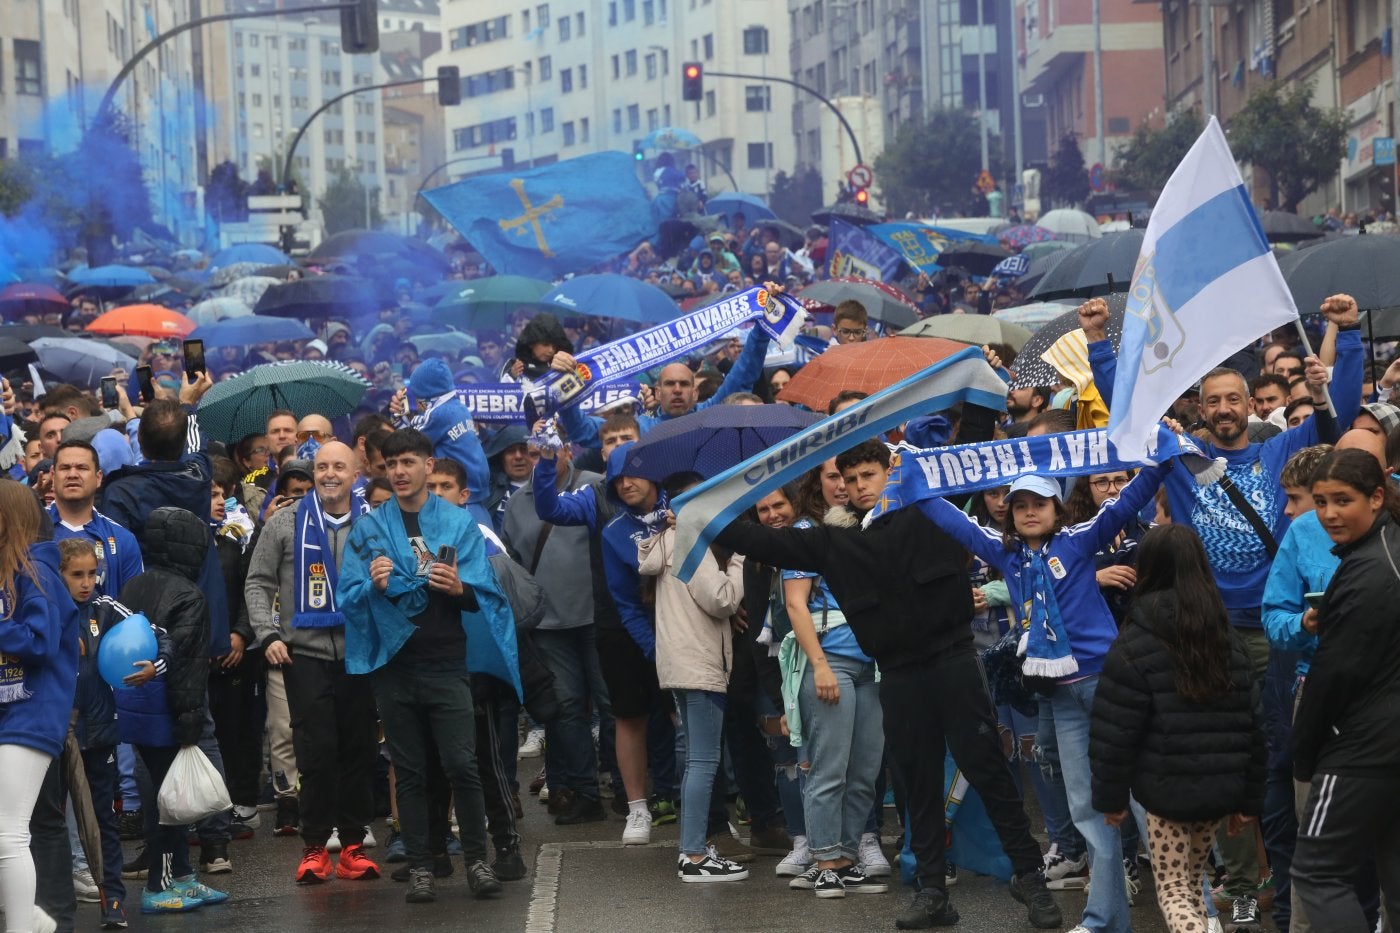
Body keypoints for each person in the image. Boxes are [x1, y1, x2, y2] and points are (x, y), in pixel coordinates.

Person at [1087, 295, 1362, 928]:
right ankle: (1243, 880)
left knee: (1285, 755)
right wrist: (1102, 343)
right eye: (1211, 401)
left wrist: (1342, 337)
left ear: (1247, 404)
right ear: (1201, 409)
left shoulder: (1277, 452)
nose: (1223, 409)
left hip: (1278, 631)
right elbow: (1129, 412)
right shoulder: (1184, 460)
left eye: (1232, 398)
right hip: (1202, 634)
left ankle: (1303, 881)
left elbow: (1336, 413)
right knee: (1223, 762)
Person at [715, 438, 1062, 931]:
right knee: (914, 781)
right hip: (898, 673)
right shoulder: (833, 540)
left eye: (868, 476)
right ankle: (932, 892)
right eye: (848, 479)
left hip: (953, 661)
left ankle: (1030, 875)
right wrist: (704, 512)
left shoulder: (929, 512)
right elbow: (764, 542)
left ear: (889, 473)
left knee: (985, 766)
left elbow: (970, 462)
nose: (857, 487)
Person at [918, 465, 1166, 933]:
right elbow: (951, 520)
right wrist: (911, 481)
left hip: (1107, 685)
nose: (1030, 512)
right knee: (1087, 811)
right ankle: (1104, 919)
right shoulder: (1004, 554)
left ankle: (1199, 911)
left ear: (1057, 509)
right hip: (1057, 696)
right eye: (1020, 505)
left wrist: (1161, 461)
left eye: (1039, 504)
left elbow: (1129, 499)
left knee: (1143, 799)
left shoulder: (1078, 541)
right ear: (1009, 514)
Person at [339, 429, 519, 906]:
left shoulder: (458, 524)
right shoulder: (370, 528)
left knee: (463, 765)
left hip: (446, 663)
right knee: (412, 772)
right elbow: (347, 597)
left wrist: (459, 587)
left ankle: (477, 861)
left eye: (408, 462)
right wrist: (373, 586)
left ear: (427, 465)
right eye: (391, 463)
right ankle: (421, 867)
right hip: (395, 667)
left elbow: (485, 597)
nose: (398, 471)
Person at [1089, 525, 1265, 933]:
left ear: (1147, 569)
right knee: (1192, 877)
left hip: (1165, 793)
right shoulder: (1228, 639)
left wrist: (1111, 798)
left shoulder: (1134, 641)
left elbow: (1115, 731)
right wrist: (1249, 801)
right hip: (1219, 792)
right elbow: (1256, 728)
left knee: (1173, 888)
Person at [244, 441, 380, 885]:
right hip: (304, 655)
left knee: (359, 750)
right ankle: (316, 847)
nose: (329, 474)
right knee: (316, 754)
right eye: (322, 467)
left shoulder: (376, 523)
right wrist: (267, 635)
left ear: (356, 473)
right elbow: (257, 583)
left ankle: (355, 845)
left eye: (339, 466)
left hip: (363, 655)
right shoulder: (285, 522)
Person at [1290, 448, 1400, 931]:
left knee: (1316, 872)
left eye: (1343, 500)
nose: (1330, 514)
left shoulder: (1371, 571)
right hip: (1384, 741)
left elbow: (1333, 676)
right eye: (1320, 501)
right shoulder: (1384, 549)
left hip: (1362, 748)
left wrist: (1305, 755)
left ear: (1376, 498)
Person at [778, 462, 889, 899]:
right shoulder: (806, 529)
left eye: (853, 476)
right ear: (817, 482)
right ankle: (825, 860)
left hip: (873, 665)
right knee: (829, 767)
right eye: (834, 477)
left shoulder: (871, 525)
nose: (845, 485)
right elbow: (795, 604)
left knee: (864, 769)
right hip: (832, 661)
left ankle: (844, 858)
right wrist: (820, 664)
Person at [115, 507, 230, 915]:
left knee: (167, 795)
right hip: (167, 709)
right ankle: (158, 885)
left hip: (134, 705)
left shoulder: (135, 584)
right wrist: (189, 722)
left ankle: (182, 876)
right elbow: (184, 662)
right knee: (168, 802)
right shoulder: (188, 594)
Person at [637, 474, 749, 883]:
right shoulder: (690, 542)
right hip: (699, 666)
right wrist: (737, 559)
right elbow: (722, 599)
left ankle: (694, 848)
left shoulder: (670, 540)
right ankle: (695, 855)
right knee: (703, 761)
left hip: (681, 665)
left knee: (695, 762)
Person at [0, 482, 79, 933]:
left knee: (10, 832)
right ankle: (30, 917)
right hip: (9, 710)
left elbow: (40, 642)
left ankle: (23, 925)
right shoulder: (10, 571)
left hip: (33, 712)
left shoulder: (40, 573)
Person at [393, 359, 493, 529]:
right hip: (475, 499)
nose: (417, 403)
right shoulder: (458, 407)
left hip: (458, 501)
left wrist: (398, 416)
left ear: (426, 393)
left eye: (418, 397)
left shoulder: (439, 414)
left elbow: (408, 443)